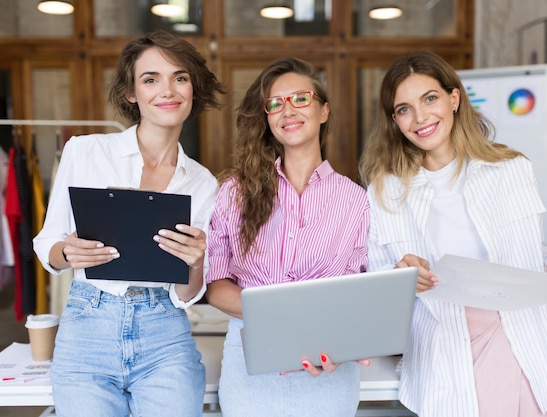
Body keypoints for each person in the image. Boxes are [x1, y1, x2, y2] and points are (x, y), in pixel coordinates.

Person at [359, 50, 547, 417]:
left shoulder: (510, 169)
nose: (420, 117)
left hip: (517, 337)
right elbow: (376, 284)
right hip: (444, 346)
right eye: (403, 109)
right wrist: (401, 276)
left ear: (454, 99)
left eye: (430, 98)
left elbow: (527, 259)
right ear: (395, 120)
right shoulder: (385, 189)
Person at [33, 31, 226, 417]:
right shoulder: (85, 151)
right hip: (87, 328)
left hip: (165, 336)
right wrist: (67, 252)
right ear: (131, 93)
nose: (167, 90)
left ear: (194, 89)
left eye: (180, 77)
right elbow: (48, 243)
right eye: (150, 79)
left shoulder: (203, 182)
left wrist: (195, 262)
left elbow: (186, 294)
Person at [205, 57, 370, 417]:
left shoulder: (357, 200)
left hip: (330, 366)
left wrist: (340, 338)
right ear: (266, 119)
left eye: (300, 98)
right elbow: (216, 285)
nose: (287, 110)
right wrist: (286, 318)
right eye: (275, 103)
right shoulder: (235, 192)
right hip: (252, 365)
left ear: (324, 111)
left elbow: (365, 289)